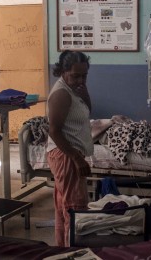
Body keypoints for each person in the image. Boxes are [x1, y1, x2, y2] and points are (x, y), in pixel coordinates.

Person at [46, 50, 93, 247]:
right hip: (66, 155)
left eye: (85, 75)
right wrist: (76, 158)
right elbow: (54, 132)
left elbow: (87, 111)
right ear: (63, 71)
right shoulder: (61, 94)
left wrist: (85, 91)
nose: (81, 79)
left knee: (64, 209)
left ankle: (62, 251)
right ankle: (72, 253)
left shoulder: (75, 89)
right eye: (76, 75)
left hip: (69, 154)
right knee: (75, 211)